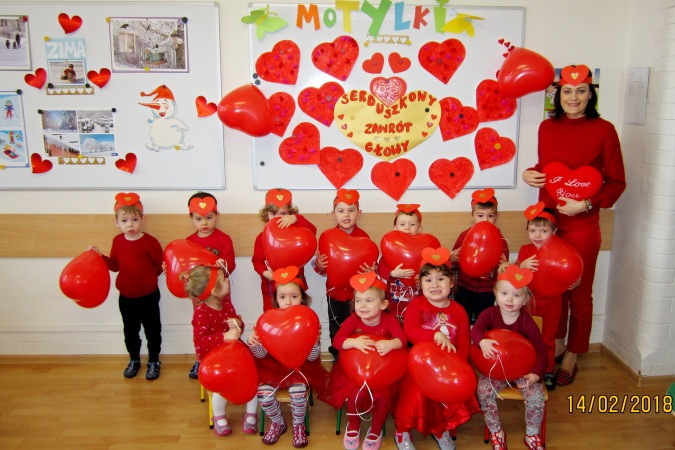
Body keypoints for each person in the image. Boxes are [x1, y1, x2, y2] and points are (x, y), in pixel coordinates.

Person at [522, 64, 626, 386]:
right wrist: (530, 173)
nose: (574, 97)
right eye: (567, 91)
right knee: (552, 291)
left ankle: (573, 353)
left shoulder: (604, 130)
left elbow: (617, 182)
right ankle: (556, 343)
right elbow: (548, 169)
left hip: (582, 224)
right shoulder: (547, 127)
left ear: (591, 94)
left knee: (579, 292)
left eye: (581, 91)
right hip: (548, 222)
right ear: (559, 94)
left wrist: (587, 203)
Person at [393, 247, 480, 450]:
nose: (434, 285)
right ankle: (402, 430)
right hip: (418, 365)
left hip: (448, 365)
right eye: (428, 280)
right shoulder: (416, 305)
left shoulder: (459, 311)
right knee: (414, 393)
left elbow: (464, 343)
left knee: (445, 394)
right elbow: (410, 332)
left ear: (451, 283)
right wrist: (434, 334)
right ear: (420, 284)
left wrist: (458, 366)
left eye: (441, 279)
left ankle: (441, 429)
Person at [247, 266, 328, 448]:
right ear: (276, 299)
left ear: (302, 298)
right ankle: (278, 422)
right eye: (282, 297)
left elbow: (312, 358)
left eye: (294, 296)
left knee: (298, 393)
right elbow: (261, 355)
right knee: (263, 394)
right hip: (273, 367)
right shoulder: (268, 320)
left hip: (300, 368)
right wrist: (254, 343)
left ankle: (298, 425)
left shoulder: (307, 320)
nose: (289, 301)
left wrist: (314, 343)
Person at [328, 271, 406, 450]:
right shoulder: (352, 320)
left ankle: (376, 429)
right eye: (358, 300)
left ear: (383, 304)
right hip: (354, 373)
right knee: (354, 392)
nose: (362, 305)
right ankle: (353, 424)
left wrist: (391, 344)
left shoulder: (389, 320)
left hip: (382, 373)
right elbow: (337, 341)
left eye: (369, 300)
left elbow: (401, 340)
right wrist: (353, 342)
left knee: (383, 396)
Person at [472, 264, 547, 450]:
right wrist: (482, 341)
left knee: (536, 396)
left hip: (523, 371)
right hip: (495, 370)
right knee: (484, 391)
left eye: (516, 295)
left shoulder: (527, 321)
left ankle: (532, 434)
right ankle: (496, 431)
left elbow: (541, 351)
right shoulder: (489, 314)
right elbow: (476, 330)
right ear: (496, 293)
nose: (510, 299)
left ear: (525, 299)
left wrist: (535, 374)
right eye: (504, 293)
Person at [89, 193, 163, 380]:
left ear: (143, 220)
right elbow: (115, 266)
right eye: (124, 220)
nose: (130, 225)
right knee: (130, 332)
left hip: (149, 296)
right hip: (127, 298)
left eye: (135, 220)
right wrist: (100, 257)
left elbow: (159, 266)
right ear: (116, 222)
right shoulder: (117, 242)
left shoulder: (151, 242)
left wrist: (147, 280)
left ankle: (154, 361)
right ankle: (134, 359)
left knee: (153, 330)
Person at [184, 264, 259, 436]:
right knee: (220, 388)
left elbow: (237, 327)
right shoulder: (201, 314)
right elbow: (200, 344)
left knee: (253, 377)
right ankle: (218, 416)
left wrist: (238, 323)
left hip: (235, 355)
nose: (228, 281)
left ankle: (251, 414)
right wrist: (224, 337)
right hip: (215, 362)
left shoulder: (226, 305)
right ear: (213, 290)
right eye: (223, 279)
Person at [516, 202, 577, 390]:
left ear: (554, 232)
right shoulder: (525, 250)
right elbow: (515, 276)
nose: (537, 235)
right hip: (528, 303)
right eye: (533, 230)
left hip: (552, 304)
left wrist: (575, 282)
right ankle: (526, 368)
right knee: (525, 337)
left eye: (543, 231)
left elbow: (571, 271)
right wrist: (522, 266)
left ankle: (548, 369)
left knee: (547, 339)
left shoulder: (560, 251)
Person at [314, 188, 374, 358]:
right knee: (336, 329)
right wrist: (319, 265)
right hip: (335, 295)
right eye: (341, 211)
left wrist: (371, 272)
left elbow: (370, 266)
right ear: (333, 214)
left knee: (359, 327)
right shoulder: (327, 237)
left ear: (359, 214)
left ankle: (356, 358)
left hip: (358, 296)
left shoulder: (364, 238)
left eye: (351, 210)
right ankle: (337, 357)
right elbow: (322, 269)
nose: (346, 215)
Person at [184, 192, 236, 379]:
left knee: (224, 321)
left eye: (209, 218)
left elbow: (231, 265)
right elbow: (185, 268)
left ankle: (225, 354)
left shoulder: (224, 239)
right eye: (198, 219)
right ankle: (201, 358)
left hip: (221, 292)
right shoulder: (189, 242)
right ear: (192, 218)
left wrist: (224, 265)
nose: (204, 223)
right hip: (199, 296)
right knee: (202, 326)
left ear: (216, 216)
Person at [252, 188, 316, 312]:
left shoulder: (297, 232)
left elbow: (312, 231)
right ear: (267, 215)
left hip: (295, 286)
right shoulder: (262, 237)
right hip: (271, 287)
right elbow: (257, 260)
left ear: (290, 214)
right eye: (273, 214)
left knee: (296, 314)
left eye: (283, 214)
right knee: (272, 315)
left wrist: (297, 219)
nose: (278, 218)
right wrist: (266, 273)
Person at [451, 189, 509, 324]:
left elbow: (504, 268)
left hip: (487, 290)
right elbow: (453, 261)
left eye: (490, 216)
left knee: (483, 321)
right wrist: (452, 257)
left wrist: (504, 266)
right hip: (464, 287)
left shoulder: (500, 239)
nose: (485, 220)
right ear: (472, 215)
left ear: (497, 216)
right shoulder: (464, 235)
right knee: (462, 320)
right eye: (480, 215)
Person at [377, 204, 432, 321]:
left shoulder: (425, 247)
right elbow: (381, 268)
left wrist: (423, 278)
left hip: (417, 304)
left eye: (412, 224)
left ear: (420, 228)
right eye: (402, 224)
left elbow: (432, 269)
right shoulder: (390, 248)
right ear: (395, 228)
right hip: (394, 306)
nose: (407, 228)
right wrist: (392, 273)